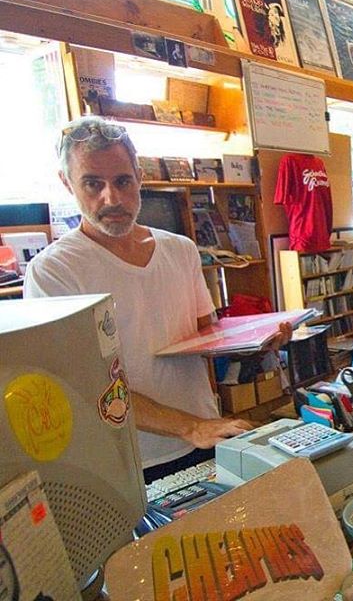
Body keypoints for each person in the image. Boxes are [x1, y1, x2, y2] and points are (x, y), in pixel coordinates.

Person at [24, 116, 292, 482]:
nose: (111, 198)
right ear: (67, 183)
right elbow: (86, 386)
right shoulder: (53, 271)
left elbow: (206, 338)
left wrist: (260, 343)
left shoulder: (180, 250)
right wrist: (189, 426)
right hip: (130, 461)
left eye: (122, 181)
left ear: (139, 175)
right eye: (92, 183)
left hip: (205, 437)